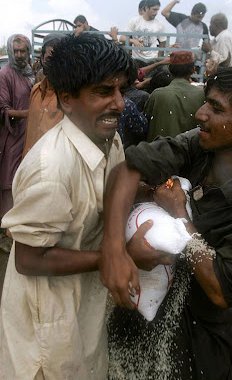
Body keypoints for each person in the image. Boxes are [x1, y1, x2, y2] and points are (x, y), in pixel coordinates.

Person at [100, 63, 232, 379]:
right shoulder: (201, 142)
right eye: (206, 101)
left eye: (215, 108)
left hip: (204, 336)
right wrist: (113, 250)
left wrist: (180, 217)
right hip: (150, 306)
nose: (200, 113)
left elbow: (222, 291)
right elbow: (129, 166)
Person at [0, 33, 170, 380]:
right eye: (104, 92)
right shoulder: (52, 169)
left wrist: (148, 197)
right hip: (48, 323)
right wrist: (119, 255)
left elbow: (115, 178)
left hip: (83, 306)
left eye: (122, 89)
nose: (120, 104)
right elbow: (29, 258)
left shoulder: (108, 137)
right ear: (67, 99)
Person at [0, 34, 34, 221]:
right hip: (12, 137)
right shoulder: (5, 75)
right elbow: (3, 109)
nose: (19, 55)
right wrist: (30, 113)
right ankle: (7, 230)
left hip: (30, 135)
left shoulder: (29, 73)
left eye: (23, 51)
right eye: (16, 51)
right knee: (10, 182)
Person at [144, 50, 205, 142]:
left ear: (169, 69)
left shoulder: (157, 94)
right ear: (193, 70)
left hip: (160, 150)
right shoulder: (202, 94)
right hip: (191, 152)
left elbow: (145, 121)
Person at [22, 33, 65, 157]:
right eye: (49, 58)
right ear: (42, 58)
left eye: (59, 59)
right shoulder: (36, 90)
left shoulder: (70, 98)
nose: (54, 64)